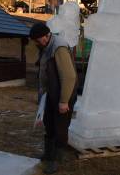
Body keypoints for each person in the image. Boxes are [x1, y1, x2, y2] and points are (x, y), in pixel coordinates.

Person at [30, 23, 78, 174]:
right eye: (36, 41)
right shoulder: (45, 47)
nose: (38, 43)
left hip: (63, 96)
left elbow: (69, 77)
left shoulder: (59, 48)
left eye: (39, 40)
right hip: (51, 94)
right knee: (49, 125)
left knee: (60, 128)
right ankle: (48, 155)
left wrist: (64, 101)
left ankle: (56, 160)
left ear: (47, 35)